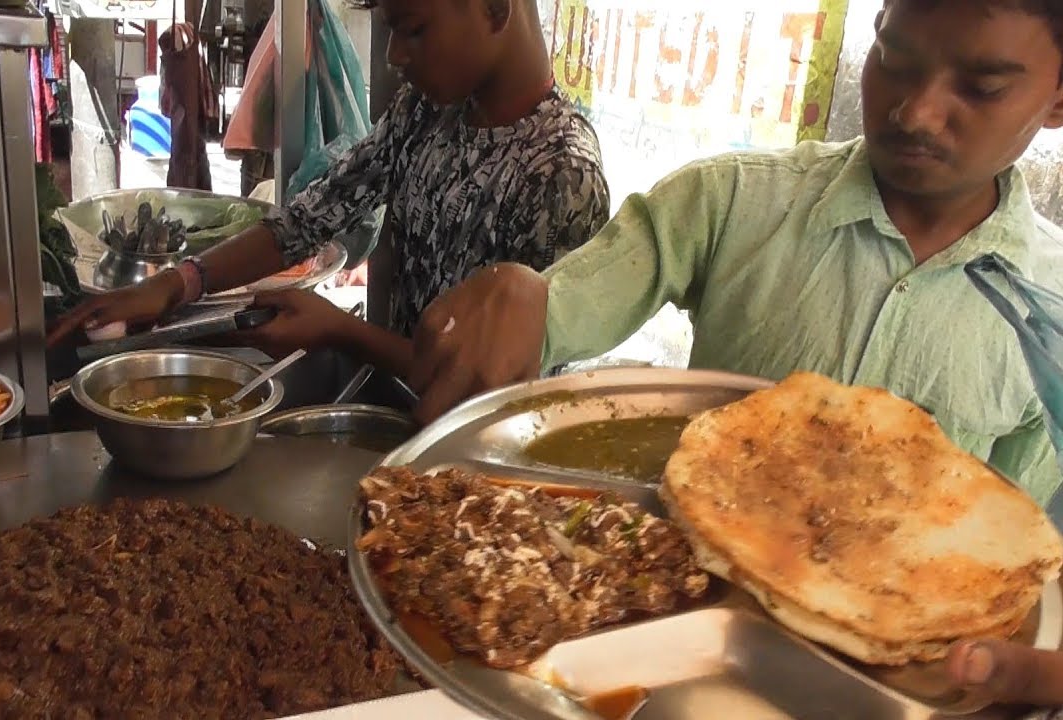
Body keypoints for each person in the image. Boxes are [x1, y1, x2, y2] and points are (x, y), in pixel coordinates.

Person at [412, 1, 1063, 505]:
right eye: (894, 58)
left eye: (980, 88)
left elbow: (1007, 531)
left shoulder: (1052, 316)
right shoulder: (730, 200)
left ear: (1056, 96)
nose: (917, 111)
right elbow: (564, 306)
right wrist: (523, 293)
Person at [50, 0, 610, 381]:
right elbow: (307, 220)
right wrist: (179, 283)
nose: (394, 55)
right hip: (394, 410)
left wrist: (342, 330)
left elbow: (496, 386)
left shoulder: (562, 175)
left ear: (495, 8)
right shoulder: (426, 114)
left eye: (413, 28)